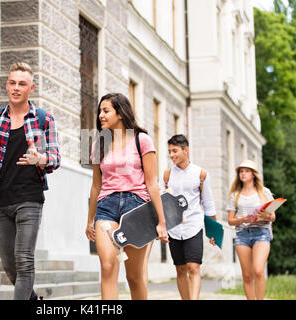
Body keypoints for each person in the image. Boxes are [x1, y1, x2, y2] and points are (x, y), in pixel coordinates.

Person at [0, 62, 60, 300]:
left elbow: (55, 158)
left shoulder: (44, 119)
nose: (16, 87)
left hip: (29, 200)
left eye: (22, 84)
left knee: (24, 262)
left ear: (30, 88)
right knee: (9, 265)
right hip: (1, 200)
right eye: (12, 82)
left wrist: (40, 159)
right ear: (7, 84)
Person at [85, 92, 168, 300]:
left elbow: (151, 183)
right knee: (107, 265)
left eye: (106, 111)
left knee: (134, 276)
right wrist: (90, 219)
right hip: (106, 207)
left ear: (120, 113)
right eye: (100, 112)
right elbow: (96, 185)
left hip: (137, 208)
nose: (100, 116)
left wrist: (161, 221)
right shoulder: (99, 143)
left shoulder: (143, 140)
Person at [159, 134, 217, 300]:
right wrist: (160, 226)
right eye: (169, 151)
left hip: (194, 225)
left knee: (193, 267)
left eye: (175, 151)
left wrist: (213, 231)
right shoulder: (166, 176)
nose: (171, 155)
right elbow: (159, 202)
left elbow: (208, 204)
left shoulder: (201, 174)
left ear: (186, 150)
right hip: (174, 228)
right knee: (180, 269)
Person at [226, 159, 275, 300]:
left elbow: (273, 217)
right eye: (241, 171)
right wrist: (243, 219)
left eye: (247, 171)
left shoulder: (264, 192)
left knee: (258, 270)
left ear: (253, 174)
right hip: (242, 235)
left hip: (261, 233)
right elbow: (230, 220)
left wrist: (264, 215)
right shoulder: (235, 195)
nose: (243, 173)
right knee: (247, 276)